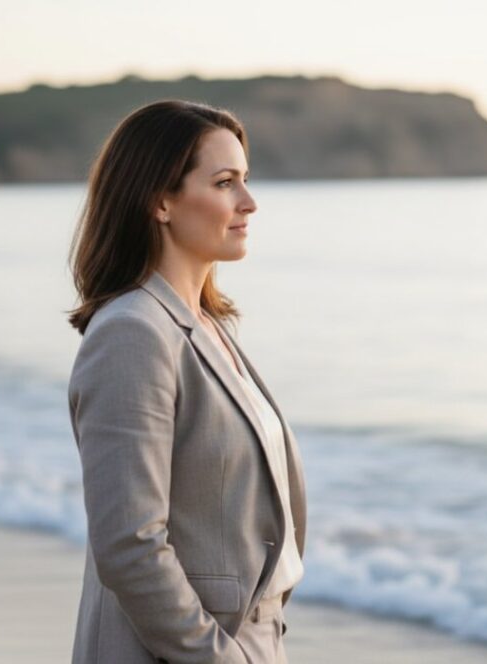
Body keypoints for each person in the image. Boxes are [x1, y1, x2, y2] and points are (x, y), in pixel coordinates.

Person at [65, 99, 306, 664]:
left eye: (245, 180)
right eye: (225, 183)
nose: (249, 203)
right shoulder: (133, 333)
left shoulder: (208, 327)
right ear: (160, 201)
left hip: (250, 638)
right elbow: (129, 545)